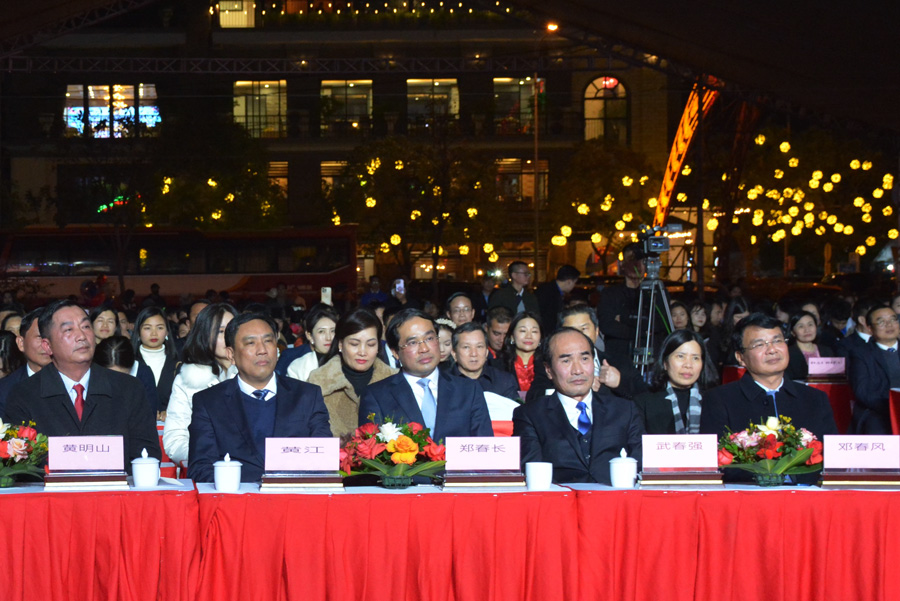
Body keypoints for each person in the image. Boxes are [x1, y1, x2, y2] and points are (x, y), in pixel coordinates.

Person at [3, 299, 161, 470]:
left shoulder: (128, 388)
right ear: (47, 346)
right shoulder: (24, 394)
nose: (81, 336)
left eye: (86, 327)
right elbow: (19, 465)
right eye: (69, 330)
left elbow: (147, 454)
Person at [187, 312, 331, 482]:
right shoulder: (209, 402)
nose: (262, 350)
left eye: (268, 341)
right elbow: (200, 468)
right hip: (236, 496)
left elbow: (324, 461)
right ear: (231, 354)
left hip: (294, 495)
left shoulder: (307, 395)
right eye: (251, 343)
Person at [513, 328, 644, 484]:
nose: (577, 370)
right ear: (548, 370)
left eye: (584, 359)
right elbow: (533, 476)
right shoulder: (530, 415)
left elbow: (642, 468)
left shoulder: (625, 410)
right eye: (566, 361)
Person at [700, 313, 838, 442]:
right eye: (759, 344)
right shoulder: (719, 400)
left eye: (777, 341)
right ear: (741, 357)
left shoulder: (815, 399)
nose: (772, 350)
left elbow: (829, 454)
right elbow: (716, 455)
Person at [358, 308, 493, 441]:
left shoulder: (469, 390)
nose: (424, 349)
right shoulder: (377, 396)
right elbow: (371, 449)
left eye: (429, 338)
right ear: (395, 352)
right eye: (412, 342)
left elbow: (484, 446)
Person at [163, 304, 239, 465]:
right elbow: (175, 440)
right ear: (204, 335)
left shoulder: (252, 375)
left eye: (232, 330)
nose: (227, 337)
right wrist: (207, 455)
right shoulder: (188, 379)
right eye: (220, 331)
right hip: (206, 467)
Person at [526, 305, 646, 403]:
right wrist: (571, 389)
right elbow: (534, 396)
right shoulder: (551, 364)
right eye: (571, 330)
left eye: (584, 329)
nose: (579, 335)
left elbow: (646, 399)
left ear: (596, 331)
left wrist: (619, 383)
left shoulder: (619, 362)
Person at [307, 308, 397, 439]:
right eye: (354, 344)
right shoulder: (318, 382)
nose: (362, 352)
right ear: (340, 344)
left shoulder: (394, 380)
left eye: (371, 344)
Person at [634, 330, 718, 434]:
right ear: (665, 363)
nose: (688, 365)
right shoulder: (644, 403)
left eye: (695, 358)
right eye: (680, 356)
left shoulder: (714, 402)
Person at [847, 305, 900, 434]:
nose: (889, 325)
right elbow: (863, 391)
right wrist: (893, 407)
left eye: (893, 319)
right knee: (875, 425)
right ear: (870, 328)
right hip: (879, 411)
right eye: (881, 322)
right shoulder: (861, 354)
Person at [0, 308, 52, 414]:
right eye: (40, 337)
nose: (47, 344)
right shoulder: (5, 390)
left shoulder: (77, 381)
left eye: (52, 336)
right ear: (21, 343)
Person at [449, 321, 518, 400]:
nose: (474, 354)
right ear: (454, 353)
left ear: (486, 352)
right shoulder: (442, 382)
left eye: (479, 347)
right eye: (466, 347)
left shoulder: (504, 380)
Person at [93, 335, 159, 413]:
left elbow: (149, 413)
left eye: (122, 377)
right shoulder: (90, 374)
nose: (115, 382)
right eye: (110, 376)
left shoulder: (143, 374)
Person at [132, 307, 178, 417]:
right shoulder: (129, 362)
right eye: (147, 328)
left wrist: (172, 412)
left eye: (160, 328)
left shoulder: (179, 363)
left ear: (167, 332)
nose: (154, 333)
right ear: (138, 332)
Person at [286, 304, 339, 382]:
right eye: (321, 331)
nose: (328, 337)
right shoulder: (297, 367)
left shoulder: (347, 362)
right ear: (309, 336)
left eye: (332, 331)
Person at [785, 310, 836, 381]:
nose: (807, 330)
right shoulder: (788, 354)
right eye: (801, 326)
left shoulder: (827, 351)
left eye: (810, 325)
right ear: (792, 332)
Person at [500, 311, 542, 393]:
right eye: (523, 331)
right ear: (512, 336)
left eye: (534, 331)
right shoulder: (498, 366)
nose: (529, 336)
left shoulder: (549, 366)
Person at [535, 264, 580, 333]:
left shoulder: (551, 289)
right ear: (569, 282)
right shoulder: (548, 292)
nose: (574, 286)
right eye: (575, 283)